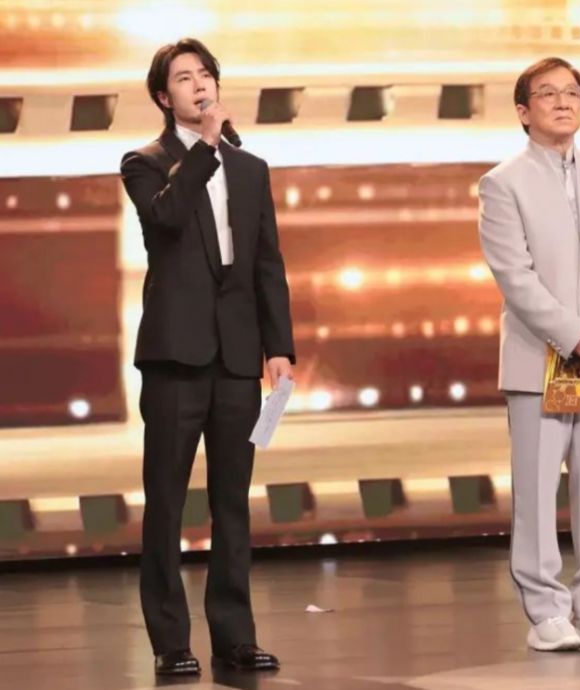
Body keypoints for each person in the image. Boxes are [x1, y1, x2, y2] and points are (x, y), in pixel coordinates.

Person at [120, 37, 294, 675]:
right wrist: (204, 150)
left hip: (237, 360)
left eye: (207, 75)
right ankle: (171, 643)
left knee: (232, 500)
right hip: (174, 358)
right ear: (165, 98)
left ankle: (234, 636)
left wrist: (279, 348)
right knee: (165, 503)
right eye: (185, 79)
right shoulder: (145, 162)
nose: (200, 86)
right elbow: (164, 220)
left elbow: (267, 264)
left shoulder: (250, 169)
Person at [477, 57, 580, 651]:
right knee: (537, 489)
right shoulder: (502, 182)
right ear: (524, 112)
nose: (563, 101)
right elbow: (514, 276)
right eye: (547, 93)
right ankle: (546, 609)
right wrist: (572, 331)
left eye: (572, 92)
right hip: (540, 358)